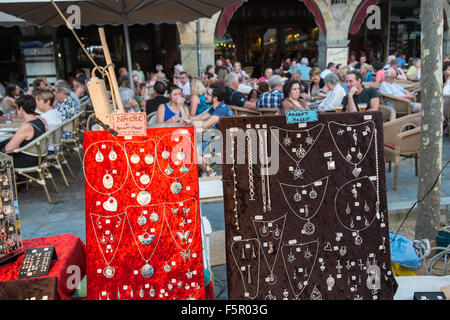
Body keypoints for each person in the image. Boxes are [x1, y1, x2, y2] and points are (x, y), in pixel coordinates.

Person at [0, 95, 46, 168]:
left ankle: (5, 179)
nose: (16, 111)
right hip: (38, 157)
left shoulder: (26, 127)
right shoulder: (39, 120)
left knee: (3, 156)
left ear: (21, 109)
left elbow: (8, 149)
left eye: (16, 108)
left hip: (27, 161)